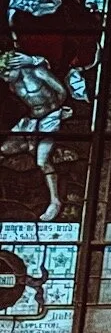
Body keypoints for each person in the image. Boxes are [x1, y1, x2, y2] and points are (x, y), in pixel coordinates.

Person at [0, 50, 72, 221]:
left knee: (42, 160)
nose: (4, 78)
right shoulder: (12, 84)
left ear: (14, 66)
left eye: (6, 73)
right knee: (3, 149)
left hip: (51, 117)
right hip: (32, 120)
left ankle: (55, 202)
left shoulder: (39, 72)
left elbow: (61, 91)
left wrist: (59, 113)